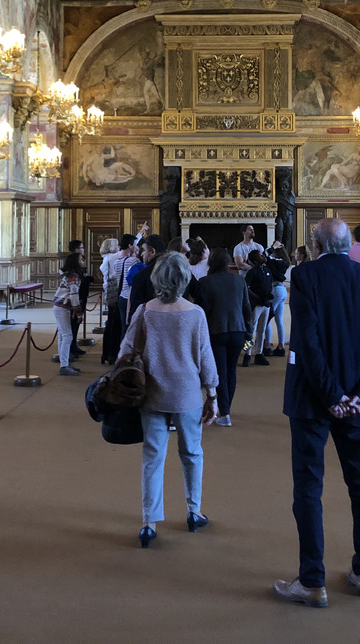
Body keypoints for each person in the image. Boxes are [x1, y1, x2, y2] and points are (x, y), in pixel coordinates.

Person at [273, 218, 360, 608]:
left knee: (309, 486)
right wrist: (359, 395)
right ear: (347, 243)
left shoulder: (306, 276)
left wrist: (331, 396)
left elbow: (306, 342)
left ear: (315, 244)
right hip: (357, 402)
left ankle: (312, 581)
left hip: (312, 399)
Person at [118, 252, 219, 548]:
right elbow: (205, 358)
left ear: (157, 279)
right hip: (187, 394)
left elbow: (127, 348)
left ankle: (149, 522)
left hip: (151, 393)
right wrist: (212, 394)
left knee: (153, 457)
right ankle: (193, 511)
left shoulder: (146, 311)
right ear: (185, 278)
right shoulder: (195, 313)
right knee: (191, 453)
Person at [193, 248, 252, 427]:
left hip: (215, 331)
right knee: (231, 371)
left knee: (219, 372)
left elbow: (202, 311)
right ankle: (226, 408)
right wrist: (249, 333)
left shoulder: (204, 282)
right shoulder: (239, 280)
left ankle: (224, 412)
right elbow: (246, 308)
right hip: (238, 331)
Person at [102, 234, 140, 365]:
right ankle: (125, 357)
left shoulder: (117, 262)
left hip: (120, 297)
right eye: (134, 245)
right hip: (129, 297)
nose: (136, 247)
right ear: (130, 246)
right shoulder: (133, 261)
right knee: (129, 327)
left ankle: (118, 355)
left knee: (123, 327)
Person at [51, 255, 84, 377]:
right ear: (75, 262)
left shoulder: (70, 275)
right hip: (62, 307)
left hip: (61, 306)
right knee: (67, 335)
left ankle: (64, 362)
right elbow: (74, 296)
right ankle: (64, 366)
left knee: (62, 335)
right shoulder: (74, 277)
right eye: (81, 259)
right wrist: (79, 313)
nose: (83, 261)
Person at [244, 249, 274, 367]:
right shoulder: (252, 272)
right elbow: (247, 287)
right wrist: (258, 297)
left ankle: (259, 353)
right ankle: (247, 353)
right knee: (251, 330)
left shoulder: (267, 270)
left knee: (262, 329)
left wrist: (268, 295)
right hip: (256, 304)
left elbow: (270, 284)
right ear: (255, 260)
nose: (263, 256)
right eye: (260, 256)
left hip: (265, 304)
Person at [127, 234, 166, 321]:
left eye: (144, 250)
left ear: (152, 251)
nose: (141, 254)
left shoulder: (141, 275)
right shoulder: (178, 271)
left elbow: (135, 310)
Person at [265, 242, 290, 355]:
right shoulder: (284, 262)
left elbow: (264, 254)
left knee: (267, 318)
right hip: (283, 289)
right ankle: (280, 346)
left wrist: (272, 248)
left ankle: (267, 345)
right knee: (279, 320)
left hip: (275, 289)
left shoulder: (273, 261)